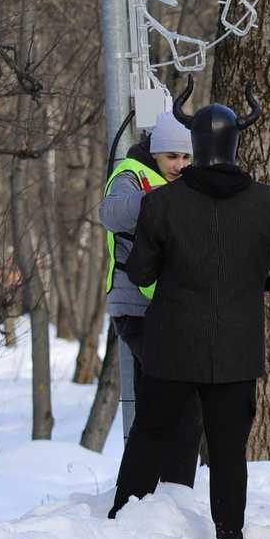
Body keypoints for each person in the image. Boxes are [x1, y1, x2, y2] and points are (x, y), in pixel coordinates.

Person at [109, 101, 270, 539]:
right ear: (236, 142)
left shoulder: (162, 202)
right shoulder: (265, 201)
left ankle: (121, 523)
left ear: (194, 144)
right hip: (236, 349)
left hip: (171, 344)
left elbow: (140, 274)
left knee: (151, 431)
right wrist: (255, 280)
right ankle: (230, 538)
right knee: (227, 448)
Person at [99, 113, 199, 442]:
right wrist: (159, 200)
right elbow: (110, 213)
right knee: (172, 396)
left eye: (187, 157)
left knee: (157, 400)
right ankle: (160, 480)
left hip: (173, 308)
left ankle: (155, 483)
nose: (180, 165)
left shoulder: (190, 180)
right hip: (136, 309)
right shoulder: (131, 174)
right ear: (154, 151)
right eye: (172, 156)